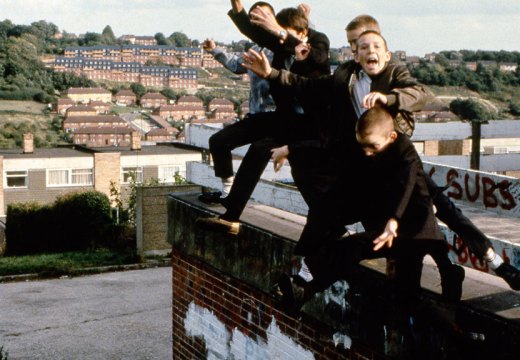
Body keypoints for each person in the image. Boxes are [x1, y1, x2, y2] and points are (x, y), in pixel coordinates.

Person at [244, 16, 520, 291]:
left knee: (442, 209)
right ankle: (305, 277)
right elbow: (309, 85)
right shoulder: (346, 75)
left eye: (364, 43)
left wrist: (387, 99)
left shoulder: (394, 73)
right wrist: (270, 74)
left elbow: (418, 93)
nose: (360, 49)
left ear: (383, 49)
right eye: (354, 45)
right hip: (367, 162)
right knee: (332, 212)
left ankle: (495, 263)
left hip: (397, 157)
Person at [278, 107, 464, 315]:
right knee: (399, 291)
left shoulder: (407, 156)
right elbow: (330, 145)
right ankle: (303, 291)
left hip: (412, 232)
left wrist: (394, 220)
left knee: (403, 292)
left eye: (372, 147)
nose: (367, 152)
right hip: (396, 232)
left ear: (392, 137)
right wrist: (290, 149)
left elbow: (411, 192)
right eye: (364, 147)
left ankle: (454, 311)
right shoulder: (374, 151)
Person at [196, 1, 330, 234]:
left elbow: (317, 57)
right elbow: (252, 32)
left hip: (312, 125)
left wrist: (283, 31)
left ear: (303, 33)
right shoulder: (280, 47)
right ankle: (231, 215)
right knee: (225, 141)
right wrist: (237, 8)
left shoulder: (318, 44)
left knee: (266, 154)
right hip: (284, 118)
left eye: (286, 35)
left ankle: (232, 215)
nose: (281, 40)